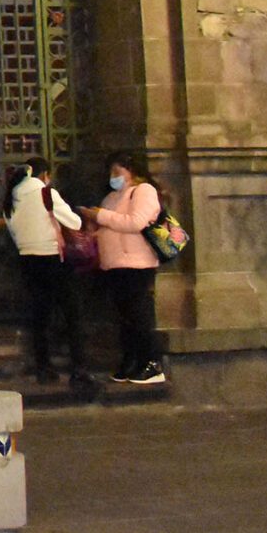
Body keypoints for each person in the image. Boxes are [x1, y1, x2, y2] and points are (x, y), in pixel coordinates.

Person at [82, 151, 168, 388]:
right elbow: (110, 225)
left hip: (137, 262)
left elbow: (136, 222)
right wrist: (93, 225)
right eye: (110, 171)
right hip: (114, 264)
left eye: (117, 171)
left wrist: (101, 215)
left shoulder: (143, 191)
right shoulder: (111, 197)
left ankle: (152, 362)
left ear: (131, 171)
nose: (113, 176)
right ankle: (131, 360)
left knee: (138, 315)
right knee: (125, 317)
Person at [5, 156, 92, 393]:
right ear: (44, 175)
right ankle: (79, 369)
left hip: (27, 260)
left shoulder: (11, 197)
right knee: (72, 315)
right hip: (53, 259)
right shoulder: (46, 193)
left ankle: (43, 368)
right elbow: (74, 222)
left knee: (39, 317)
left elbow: (13, 231)